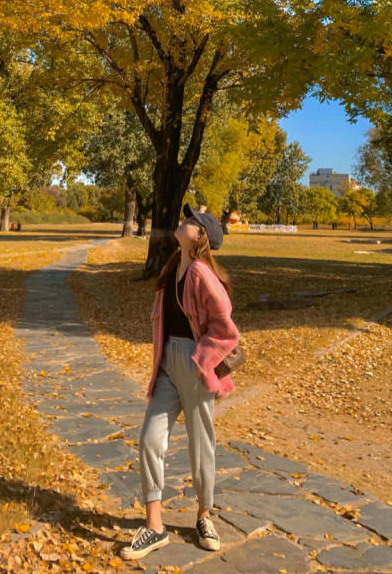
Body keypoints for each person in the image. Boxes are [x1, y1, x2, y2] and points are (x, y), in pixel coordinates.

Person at [121, 204, 240, 562]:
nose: (184, 221)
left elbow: (226, 328)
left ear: (200, 236)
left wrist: (199, 359)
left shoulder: (202, 273)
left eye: (191, 221)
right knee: (149, 440)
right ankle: (155, 526)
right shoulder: (174, 266)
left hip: (194, 364)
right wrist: (163, 363)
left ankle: (204, 515)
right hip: (168, 367)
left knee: (201, 444)